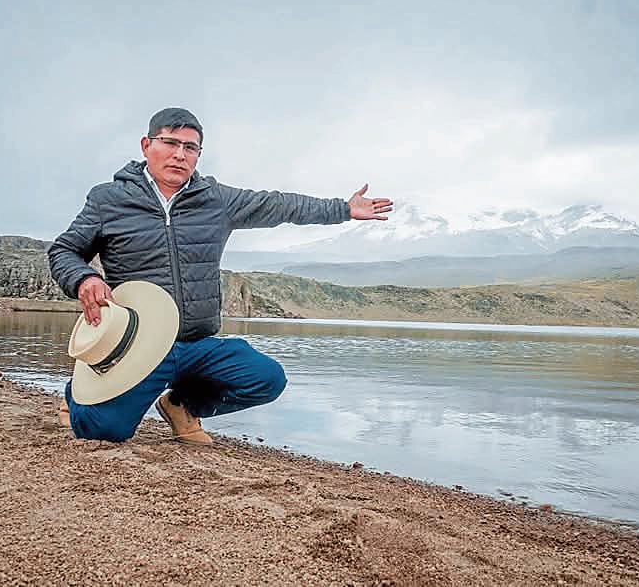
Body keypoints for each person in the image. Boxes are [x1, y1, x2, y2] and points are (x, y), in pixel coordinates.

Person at [48, 107, 393, 444]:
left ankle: (181, 404)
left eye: (190, 148)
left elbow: (280, 204)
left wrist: (344, 209)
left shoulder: (215, 200)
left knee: (266, 379)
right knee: (103, 432)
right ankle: (78, 395)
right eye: (169, 143)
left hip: (197, 344)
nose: (179, 155)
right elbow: (64, 251)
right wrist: (84, 279)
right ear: (146, 146)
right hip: (136, 348)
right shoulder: (109, 200)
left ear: (198, 154)